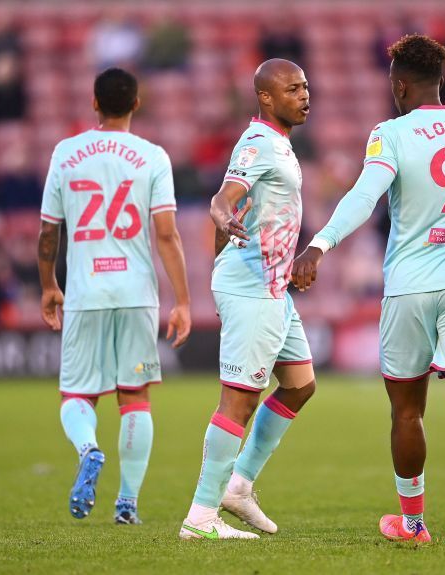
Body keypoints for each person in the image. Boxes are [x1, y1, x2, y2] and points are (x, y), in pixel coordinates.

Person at [291, 34, 445, 546]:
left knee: (407, 412)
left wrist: (319, 245)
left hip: (408, 288)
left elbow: (365, 194)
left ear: (400, 85)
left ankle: (414, 524)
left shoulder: (392, 133)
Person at [38, 68, 191, 524]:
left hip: (85, 291)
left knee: (77, 394)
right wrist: (182, 300)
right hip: (136, 293)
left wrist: (49, 285)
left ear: (93, 102)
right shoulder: (152, 157)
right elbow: (167, 234)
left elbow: (49, 232)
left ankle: (88, 448)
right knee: (136, 395)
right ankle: (127, 503)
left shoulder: (66, 154)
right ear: (137, 103)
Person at [179, 58, 315, 541]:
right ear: (265, 97)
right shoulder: (258, 142)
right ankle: (200, 517)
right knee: (239, 399)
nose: (304, 95)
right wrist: (220, 215)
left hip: (272, 285)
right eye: (293, 89)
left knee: (299, 384)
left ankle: (238, 487)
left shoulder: (280, 143)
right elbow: (225, 196)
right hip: (252, 285)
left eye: (305, 87)